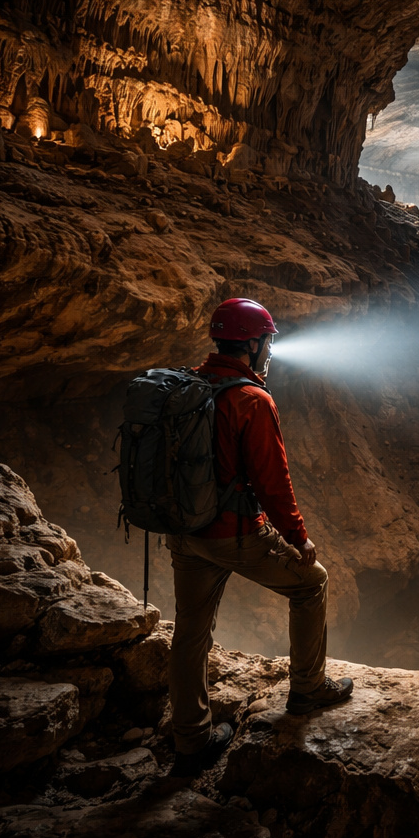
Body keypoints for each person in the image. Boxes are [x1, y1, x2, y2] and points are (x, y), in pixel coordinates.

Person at [167, 297, 353, 774]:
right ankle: (308, 690)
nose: (269, 349)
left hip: (186, 531)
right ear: (251, 344)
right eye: (267, 341)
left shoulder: (186, 383)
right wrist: (298, 538)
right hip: (233, 533)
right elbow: (273, 482)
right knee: (311, 583)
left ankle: (190, 739)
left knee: (190, 631)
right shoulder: (252, 400)